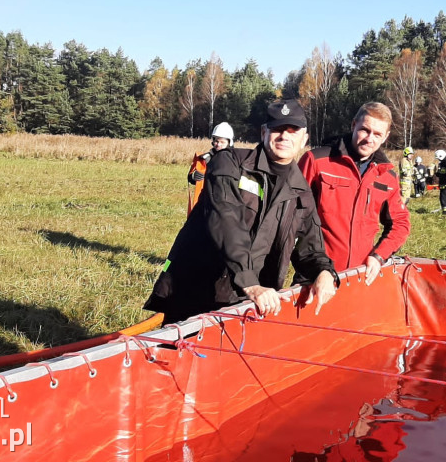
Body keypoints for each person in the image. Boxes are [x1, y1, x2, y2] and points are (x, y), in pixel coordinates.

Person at [145, 100, 339, 323]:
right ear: (264, 132)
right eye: (277, 129)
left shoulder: (301, 190)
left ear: (304, 139)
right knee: (181, 353)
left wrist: (324, 271)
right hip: (198, 289)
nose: (285, 136)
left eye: (293, 131)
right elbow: (226, 221)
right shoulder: (229, 162)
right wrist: (249, 282)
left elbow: (310, 247)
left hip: (248, 302)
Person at [299, 102, 411, 285]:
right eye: (365, 130)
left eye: (377, 134)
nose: (369, 139)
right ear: (353, 125)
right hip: (314, 276)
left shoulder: (387, 176)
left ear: (386, 137)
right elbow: (291, 217)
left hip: (359, 277)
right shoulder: (317, 162)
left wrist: (379, 256)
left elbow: (400, 223)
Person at [187, 122, 234, 215]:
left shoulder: (236, 160)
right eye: (216, 141)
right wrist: (193, 177)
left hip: (227, 204)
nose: (218, 144)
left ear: (229, 142)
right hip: (206, 202)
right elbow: (191, 178)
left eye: (222, 142)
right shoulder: (205, 159)